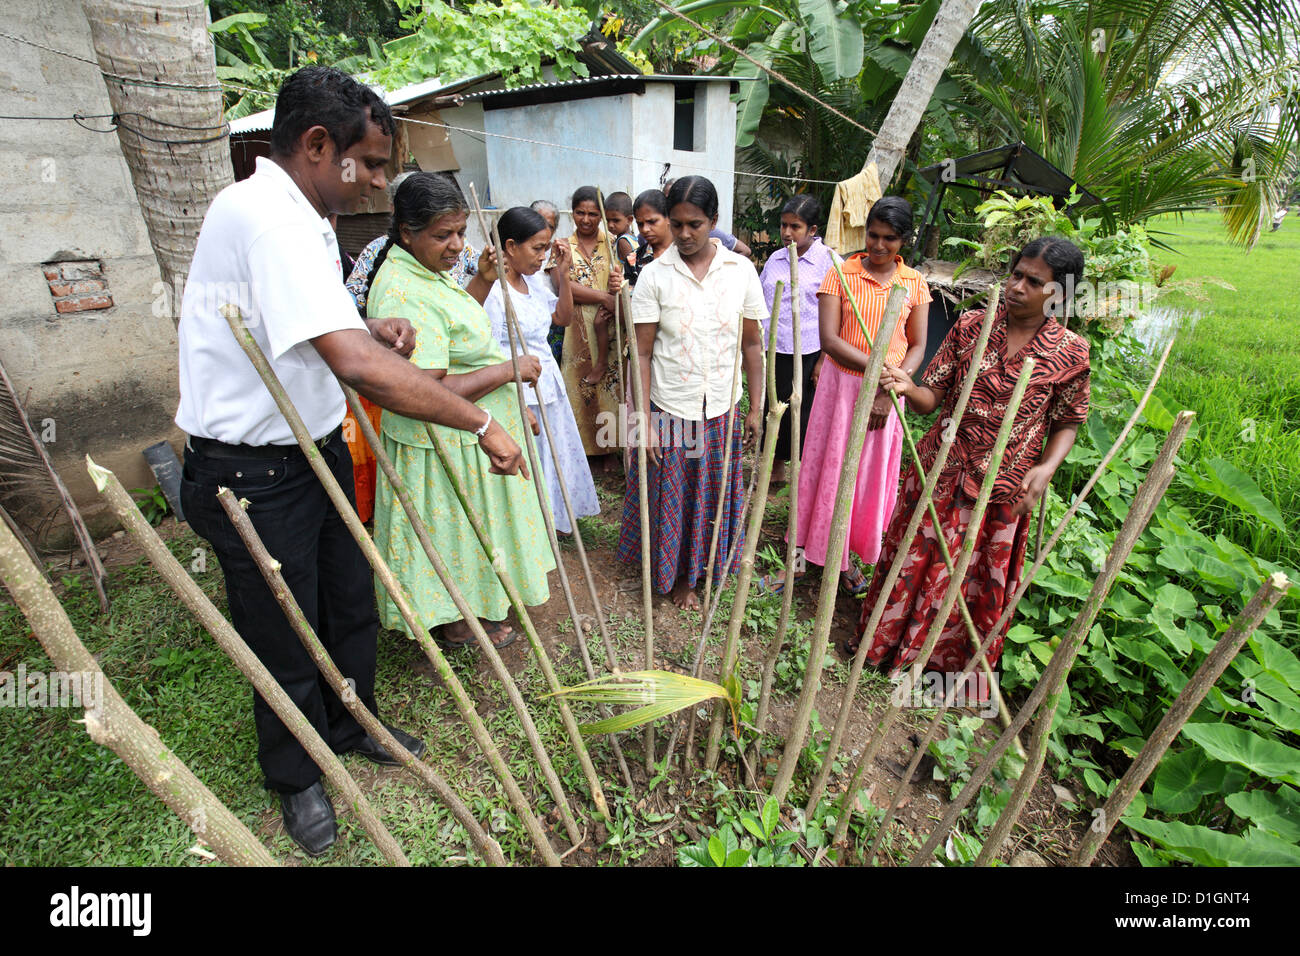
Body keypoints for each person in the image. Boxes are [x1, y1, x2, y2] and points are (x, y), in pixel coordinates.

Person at [177, 67, 525, 858]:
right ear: (315, 144)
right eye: (368, 164)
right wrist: (479, 423)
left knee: (346, 598)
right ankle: (296, 773)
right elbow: (358, 370)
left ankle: (351, 716)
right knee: (282, 624)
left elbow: (322, 330)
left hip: (313, 447)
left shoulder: (299, 215)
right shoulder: (266, 217)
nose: (375, 181)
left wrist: (373, 322)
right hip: (252, 473)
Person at [849, 237, 1091, 690]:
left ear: (1058, 293)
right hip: (944, 468)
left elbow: (1069, 421)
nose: (1017, 286)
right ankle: (883, 649)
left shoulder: (1071, 352)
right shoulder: (971, 325)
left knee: (970, 578)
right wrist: (906, 385)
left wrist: (1048, 467)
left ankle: (940, 671)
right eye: (1015, 274)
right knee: (914, 560)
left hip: (1004, 486)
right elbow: (930, 401)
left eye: (1032, 281)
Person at [367, 174, 555, 653]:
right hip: (441, 440)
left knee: (473, 529)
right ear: (406, 232)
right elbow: (424, 387)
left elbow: (450, 335)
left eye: (461, 232)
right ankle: (455, 621)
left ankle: (473, 605)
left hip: (464, 432)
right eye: (442, 235)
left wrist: (481, 281)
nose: (456, 245)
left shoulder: (427, 273)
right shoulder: (402, 290)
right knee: (451, 532)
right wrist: (506, 371)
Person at [762, 196, 930, 597]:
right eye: (873, 234)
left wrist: (892, 387)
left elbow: (919, 345)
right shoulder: (842, 273)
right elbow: (831, 340)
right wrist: (880, 368)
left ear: (904, 240)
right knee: (825, 471)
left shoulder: (915, 283)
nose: (878, 245)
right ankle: (799, 560)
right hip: (842, 389)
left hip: (889, 394)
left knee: (865, 479)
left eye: (889, 238)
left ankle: (845, 559)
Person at [617, 176, 767, 609]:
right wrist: (641, 420)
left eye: (695, 225)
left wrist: (755, 408)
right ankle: (676, 575)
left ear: (714, 221)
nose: (684, 234)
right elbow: (642, 354)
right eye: (677, 224)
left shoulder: (740, 273)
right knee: (675, 494)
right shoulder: (654, 277)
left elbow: (753, 344)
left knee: (713, 491)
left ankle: (704, 569)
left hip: (721, 404)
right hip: (671, 406)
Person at [484, 206, 600, 534]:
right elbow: (488, 353)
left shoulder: (533, 282)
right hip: (515, 390)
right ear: (509, 246)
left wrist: (562, 274)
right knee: (528, 461)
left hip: (547, 383)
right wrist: (513, 399)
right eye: (537, 248)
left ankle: (550, 523)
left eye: (546, 248)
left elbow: (561, 318)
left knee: (552, 456)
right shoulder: (493, 292)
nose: (542, 256)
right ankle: (528, 530)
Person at [757, 194, 840, 483]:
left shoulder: (829, 263)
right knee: (773, 409)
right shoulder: (775, 259)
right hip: (774, 349)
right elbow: (761, 302)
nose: (787, 233)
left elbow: (841, 317)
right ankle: (775, 471)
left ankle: (805, 478)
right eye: (783, 226)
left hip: (810, 352)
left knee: (805, 414)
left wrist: (824, 361)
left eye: (795, 227)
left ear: (813, 230)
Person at [565, 185, 623, 471]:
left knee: (611, 386)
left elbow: (625, 277)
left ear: (601, 215)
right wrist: (603, 296)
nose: (586, 219)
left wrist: (614, 294)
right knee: (580, 385)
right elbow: (562, 285)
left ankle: (611, 450)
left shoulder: (614, 243)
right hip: (576, 328)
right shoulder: (563, 246)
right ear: (572, 212)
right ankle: (585, 452)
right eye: (580, 213)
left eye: (592, 214)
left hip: (609, 324)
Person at [529, 199, 565, 362]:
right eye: (538, 221)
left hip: (551, 322)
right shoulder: (517, 253)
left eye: (549, 226)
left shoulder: (558, 253)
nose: (542, 228)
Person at [632, 188, 673, 270]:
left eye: (652, 222)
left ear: (668, 217)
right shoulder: (633, 259)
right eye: (640, 224)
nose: (645, 229)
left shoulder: (687, 253)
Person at [604, 190, 639, 281]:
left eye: (616, 220)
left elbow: (633, 270)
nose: (610, 225)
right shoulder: (632, 238)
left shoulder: (623, 242)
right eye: (608, 220)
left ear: (629, 220)